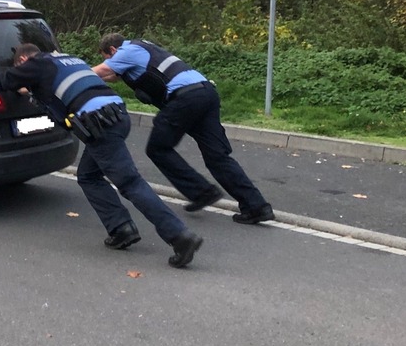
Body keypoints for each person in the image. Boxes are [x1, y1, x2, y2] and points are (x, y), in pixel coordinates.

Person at [0, 45, 203, 269]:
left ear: (24, 61)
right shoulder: (68, 59)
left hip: (99, 125)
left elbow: (0, 82)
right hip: (115, 116)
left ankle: (179, 236)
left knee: (130, 182)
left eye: (20, 67)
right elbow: (37, 87)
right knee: (88, 176)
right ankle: (121, 229)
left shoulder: (35, 65)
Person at [93, 33, 274, 225]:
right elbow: (112, 76)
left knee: (157, 149)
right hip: (205, 92)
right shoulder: (144, 47)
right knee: (217, 157)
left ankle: (201, 192)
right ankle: (257, 206)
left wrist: (76, 77)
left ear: (112, 50)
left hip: (184, 99)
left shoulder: (126, 51)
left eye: (107, 57)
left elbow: (103, 71)